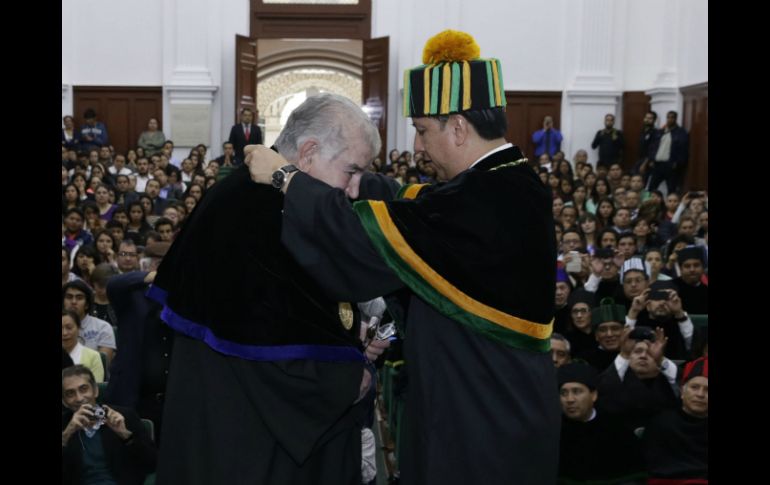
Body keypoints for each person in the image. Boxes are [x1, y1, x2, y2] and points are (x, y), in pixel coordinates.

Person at [247, 30, 560, 485]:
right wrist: (352, 175)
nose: (416, 147)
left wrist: (287, 178)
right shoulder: (498, 183)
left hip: (485, 419)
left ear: (457, 127)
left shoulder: (489, 199)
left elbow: (365, 236)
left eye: (421, 130)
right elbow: (416, 206)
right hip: (479, 400)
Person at [150, 94, 394, 485]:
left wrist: (353, 337)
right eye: (350, 171)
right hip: (251, 439)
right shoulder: (259, 212)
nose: (351, 189)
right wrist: (350, 378)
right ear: (309, 151)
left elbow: (290, 315)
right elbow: (266, 345)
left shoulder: (243, 194)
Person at [62, 365, 156, 485]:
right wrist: (66, 435)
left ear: (95, 390)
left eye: (84, 389)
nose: (79, 398)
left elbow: (152, 464)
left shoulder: (124, 416)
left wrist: (126, 435)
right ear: (64, 402)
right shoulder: (65, 426)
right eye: (70, 394)